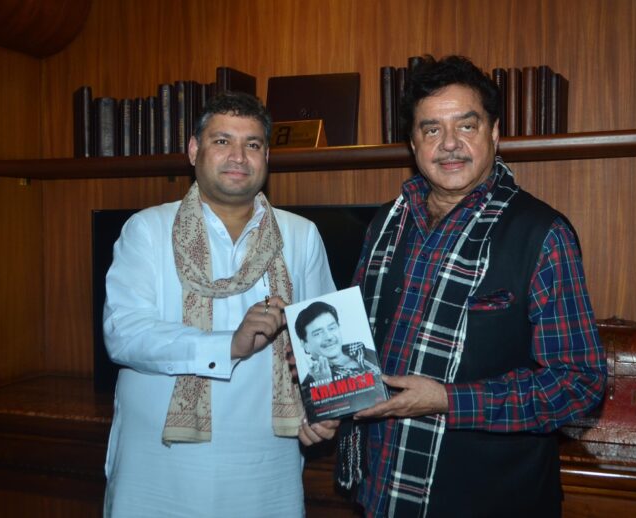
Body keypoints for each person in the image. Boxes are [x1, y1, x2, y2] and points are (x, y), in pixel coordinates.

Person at [335, 55, 607, 517]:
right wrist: (322, 366)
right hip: (383, 490)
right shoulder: (385, 224)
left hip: (491, 499)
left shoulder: (541, 234)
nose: (450, 145)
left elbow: (578, 385)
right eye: (431, 129)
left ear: (495, 133)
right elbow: (361, 338)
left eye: (467, 126)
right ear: (413, 143)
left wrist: (446, 400)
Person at [102, 91, 338, 517]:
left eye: (252, 144)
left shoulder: (301, 235)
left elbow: (326, 340)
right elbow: (124, 335)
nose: (238, 156)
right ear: (194, 150)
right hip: (160, 464)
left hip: (267, 462)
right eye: (222, 141)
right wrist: (230, 343)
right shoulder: (147, 229)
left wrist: (328, 409)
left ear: (267, 156)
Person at [294, 301, 381, 386]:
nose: (328, 337)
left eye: (332, 328)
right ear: (305, 344)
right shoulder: (310, 385)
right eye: (318, 333)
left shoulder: (366, 351)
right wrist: (325, 386)